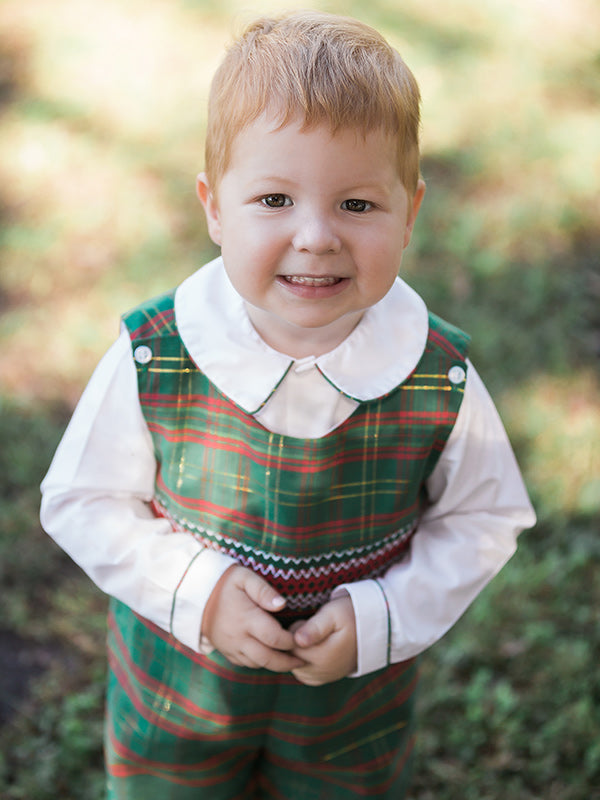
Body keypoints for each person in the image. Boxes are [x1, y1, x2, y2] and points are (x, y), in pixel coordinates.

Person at [40, 11, 535, 799]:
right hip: (179, 692)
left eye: (358, 206)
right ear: (213, 206)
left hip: (348, 708)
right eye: (273, 199)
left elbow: (484, 519)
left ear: (411, 211)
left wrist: (381, 616)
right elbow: (81, 500)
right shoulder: (157, 356)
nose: (315, 236)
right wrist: (196, 593)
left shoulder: (437, 377)